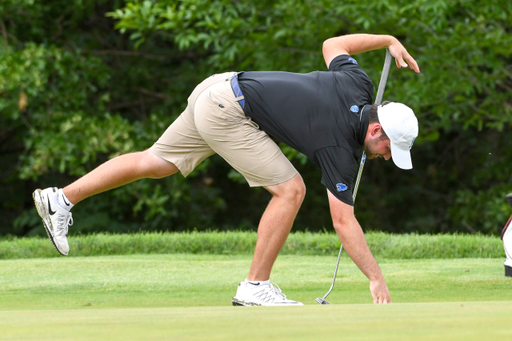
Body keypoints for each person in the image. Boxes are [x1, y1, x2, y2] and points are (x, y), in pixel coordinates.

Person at [33, 33, 420, 306]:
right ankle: (256, 286)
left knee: (156, 162)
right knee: (291, 190)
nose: (387, 157)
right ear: (375, 128)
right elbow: (344, 222)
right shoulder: (338, 147)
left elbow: (334, 45)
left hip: (219, 88)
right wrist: (375, 277)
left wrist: (384, 38)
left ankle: (61, 199)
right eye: (389, 148)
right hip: (229, 111)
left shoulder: (358, 83)